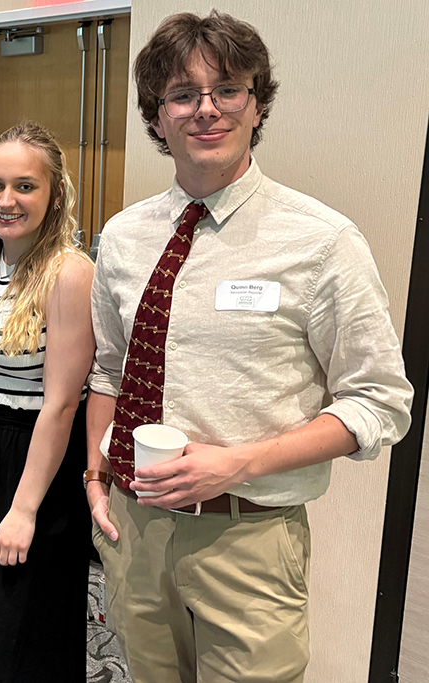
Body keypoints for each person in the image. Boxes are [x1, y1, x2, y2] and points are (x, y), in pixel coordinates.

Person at [86, 11, 413, 683]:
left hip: (249, 537)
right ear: (156, 117)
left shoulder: (322, 241)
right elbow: (109, 371)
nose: (206, 109)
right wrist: (97, 479)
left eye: (228, 89)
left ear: (257, 104)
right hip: (133, 530)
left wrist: (236, 464)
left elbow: (380, 401)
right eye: (183, 94)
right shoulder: (122, 236)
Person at [0, 121, 95, 682]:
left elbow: (62, 404)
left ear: (55, 194)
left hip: (39, 455)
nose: (6, 200)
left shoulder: (68, 273)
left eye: (25, 186)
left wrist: (25, 508)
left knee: (25, 629)